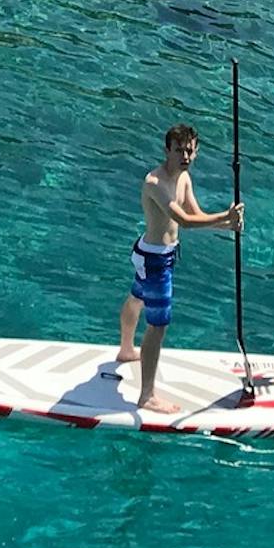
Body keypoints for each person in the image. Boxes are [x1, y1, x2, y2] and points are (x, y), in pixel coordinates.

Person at [114, 123, 240, 411]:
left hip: (160, 256)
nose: (185, 156)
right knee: (157, 326)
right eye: (180, 150)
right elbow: (183, 220)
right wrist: (225, 215)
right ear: (167, 150)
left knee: (136, 298)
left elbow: (197, 216)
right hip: (154, 260)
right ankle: (147, 396)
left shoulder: (184, 178)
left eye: (190, 151)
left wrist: (227, 224)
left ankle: (125, 350)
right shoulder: (154, 183)